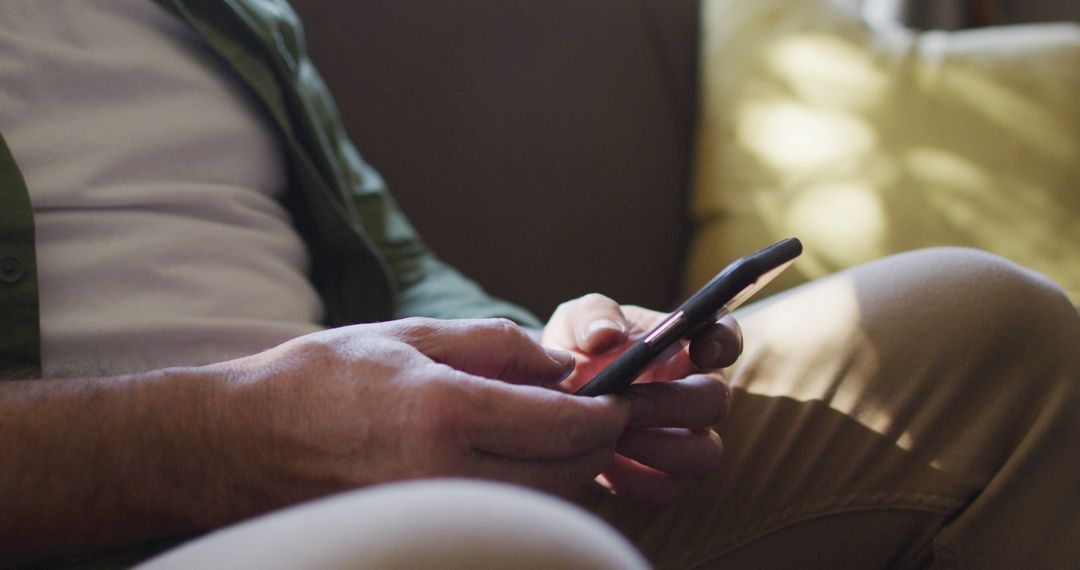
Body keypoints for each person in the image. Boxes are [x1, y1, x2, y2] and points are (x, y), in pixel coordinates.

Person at [0, 1, 1077, 568]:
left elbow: (400, 265)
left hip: (399, 497)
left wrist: (546, 353)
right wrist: (230, 441)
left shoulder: (218, 9)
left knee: (994, 333)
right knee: (509, 553)